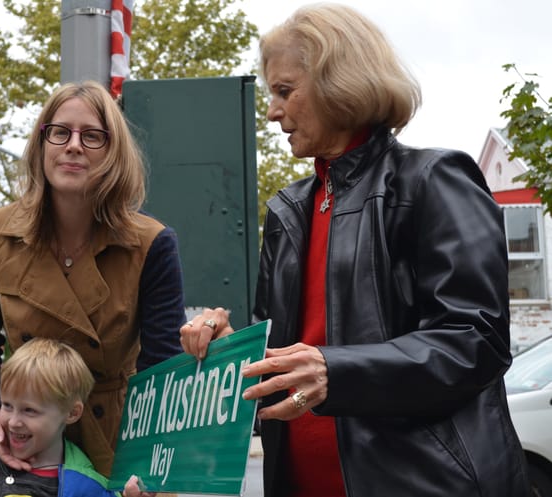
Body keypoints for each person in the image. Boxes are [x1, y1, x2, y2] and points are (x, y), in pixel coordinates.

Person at [181, 4, 531, 497]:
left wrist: (337, 370)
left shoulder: (433, 180)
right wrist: (229, 346)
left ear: (337, 80)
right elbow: (288, 359)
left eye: (284, 91)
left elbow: (476, 340)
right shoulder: (288, 211)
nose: (273, 111)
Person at [0, 80, 186, 478]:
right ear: (42, 143)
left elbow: (162, 368)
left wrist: (148, 466)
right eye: (60, 132)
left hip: (117, 442)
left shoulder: (152, 243)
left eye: (92, 136)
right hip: (20, 441)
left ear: (113, 153)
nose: (73, 145)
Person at [0, 338, 146, 497]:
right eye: (7, 405)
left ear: (71, 413)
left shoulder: (90, 487)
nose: (13, 421)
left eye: (29, 410)